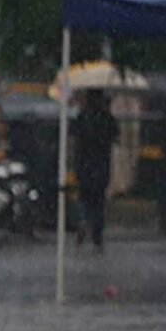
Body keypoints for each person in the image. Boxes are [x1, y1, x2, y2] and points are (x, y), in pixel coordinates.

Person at [71, 89, 118, 251]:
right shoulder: (107, 118)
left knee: (84, 197)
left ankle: (83, 222)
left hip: (83, 163)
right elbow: (115, 136)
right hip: (101, 164)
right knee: (98, 201)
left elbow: (74, 137)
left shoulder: (81, 117)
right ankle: (97, 235)